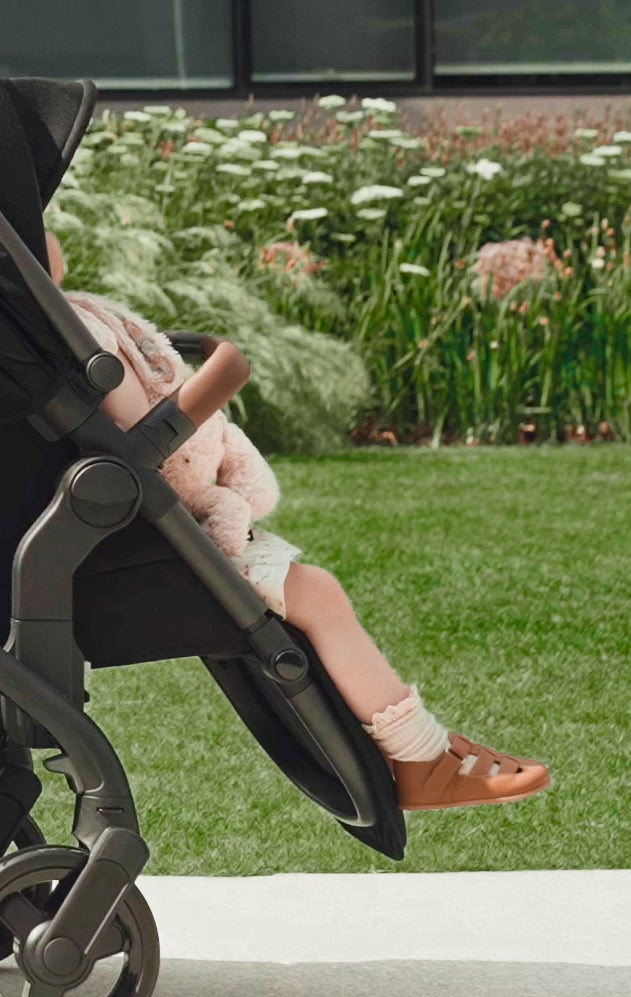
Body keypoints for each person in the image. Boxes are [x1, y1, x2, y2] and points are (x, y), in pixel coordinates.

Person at [46, 233, 554, 814]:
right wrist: (206, 390)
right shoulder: (69, 329)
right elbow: (144, 437)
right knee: (317, 595)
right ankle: (421, 762)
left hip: (109, 532)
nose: (53, 230)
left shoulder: (30, 323)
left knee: (314, 594)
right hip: (138, 539)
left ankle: (420, 757)